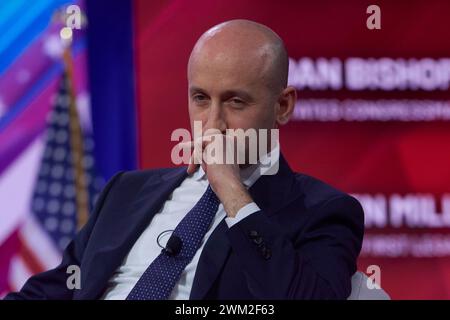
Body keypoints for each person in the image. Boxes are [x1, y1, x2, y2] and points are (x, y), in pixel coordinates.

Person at [4, 19, 364, 300]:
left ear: (282, 106)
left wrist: (232, 191)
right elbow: (55, 290)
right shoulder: (126, 191)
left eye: (236, 101)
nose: (213, 123)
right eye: (201, 99)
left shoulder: (323, 212)